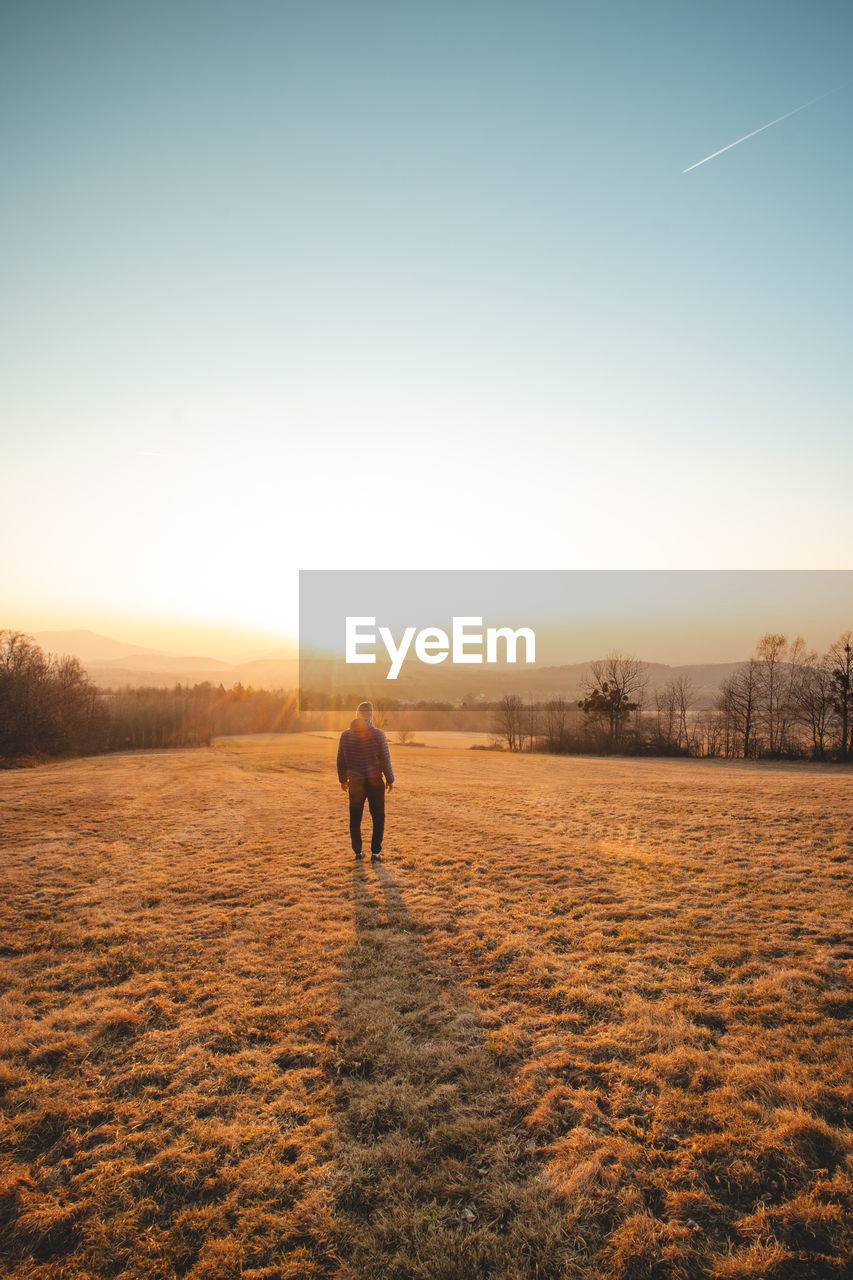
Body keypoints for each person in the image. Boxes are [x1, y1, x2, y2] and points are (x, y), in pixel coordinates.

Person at [336, 701, 395, 862]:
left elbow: (340, 760)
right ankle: (375, 853)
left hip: (355, 783)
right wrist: (390, 779)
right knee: (378, 817)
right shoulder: (378, 734)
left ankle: (357, 852)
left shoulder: (345, 735)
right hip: (375, 781)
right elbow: (385, 759)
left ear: (356, 715)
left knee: (355, 817)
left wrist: (343, 780)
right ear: (370, 715)